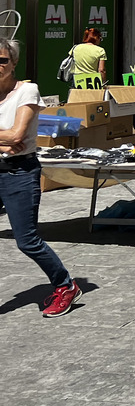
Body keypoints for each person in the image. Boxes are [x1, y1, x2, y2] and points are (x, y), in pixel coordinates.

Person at [0, 38, 82, 317]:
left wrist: (9, 141)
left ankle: (65, 285)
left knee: (26, 240)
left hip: (18, 171)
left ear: (13, 64)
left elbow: (16, 136)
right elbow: (8, 138)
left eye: (2, 61)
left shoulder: (28, 91)